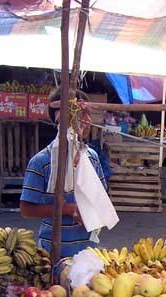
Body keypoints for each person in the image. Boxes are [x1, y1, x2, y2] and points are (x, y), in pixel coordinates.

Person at [20, 87, 107, 258]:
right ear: (63, 120)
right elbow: (26, 209)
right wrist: (68, 209)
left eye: (89, 114)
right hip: (52, 250)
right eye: (82, 115)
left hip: (87, 249)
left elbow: (102, 196)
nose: (88, 120)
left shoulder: (92, 157)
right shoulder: (42, 161)